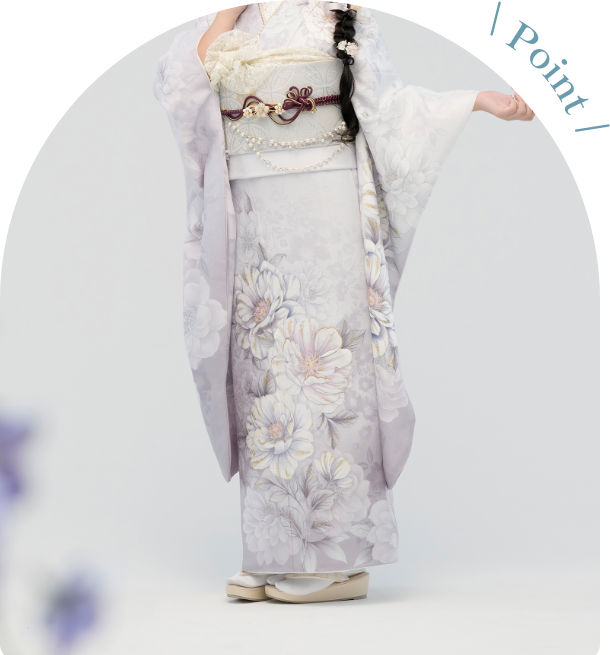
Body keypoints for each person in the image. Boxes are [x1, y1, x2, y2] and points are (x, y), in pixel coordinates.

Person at [153, 1, 535, 604]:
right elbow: (181, 92)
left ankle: (339, 560)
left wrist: (475, 101)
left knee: (330, 367)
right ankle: (272, 551)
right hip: (251, 207)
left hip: (325, 200)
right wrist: (226, 16)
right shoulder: (234, 21)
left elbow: (392, 110)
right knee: (263, 374)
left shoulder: (341, 16)